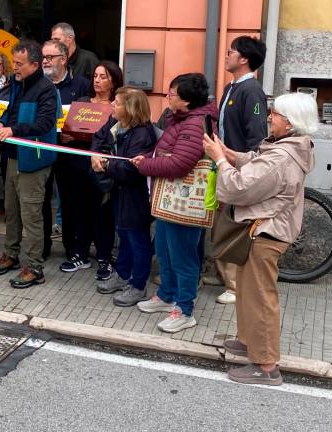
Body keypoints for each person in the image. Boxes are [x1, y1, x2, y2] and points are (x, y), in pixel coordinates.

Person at [202, 92, 317, 385]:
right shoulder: (288, 147)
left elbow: (238, 188)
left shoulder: (282, 156)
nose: (269, 117)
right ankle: (246, 340)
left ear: (290, 123)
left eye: (275, 114)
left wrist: (219, 161)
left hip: (266, 232)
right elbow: (256, 163)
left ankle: (266, 365)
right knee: (248, 290)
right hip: (263, 230)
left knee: (261, 297)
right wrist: (230, 154)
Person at [131, 73, 218, 333]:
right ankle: (166, 294)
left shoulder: (194, 124)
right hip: (169, 202)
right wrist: (147, 157)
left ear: (187, 100)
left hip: (184, 203)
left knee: (183, 257)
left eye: (172, 94)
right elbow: (166, 151)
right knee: (165, 249)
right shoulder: (178, 119)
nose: (168, 97)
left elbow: (180, 163)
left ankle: (184, 309)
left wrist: (145, 165)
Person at [0, 39, 59, 289]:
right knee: (11, 210)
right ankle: (11, 254)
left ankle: (35, 267)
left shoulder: (46, 89)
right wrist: (1, 123)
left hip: (34, 161)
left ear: (35, 64)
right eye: (14, 62)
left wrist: (12, 129)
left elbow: (44, 124)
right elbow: (10, 112)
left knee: (31, 216)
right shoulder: (18, 84)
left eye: (19, 64)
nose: (14, 68)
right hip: (12, 156)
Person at [211, 36, 269, 305]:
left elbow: (256, 136)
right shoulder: (231, 87)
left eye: (231, 51)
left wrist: (247, 167)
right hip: (224, 165)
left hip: (238, 167)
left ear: (244, 59)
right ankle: (221, 271)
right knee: (220, 220)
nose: (226, 54)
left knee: (233, 224)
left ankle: (234, 285)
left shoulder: (252, 91)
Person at [91, 87, 157, 306]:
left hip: (136, 196)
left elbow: (131, 170)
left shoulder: (142, 134)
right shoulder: (116, 125)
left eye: (117, 103)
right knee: (124, 235)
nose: (112, 106)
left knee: (137, 239)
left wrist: (106, 165)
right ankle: (122, 275)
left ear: (129, 108)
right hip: (119, 193)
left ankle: (138, 285)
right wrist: (95, 156)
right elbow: (98, 138)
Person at [42, 40, 94, 273]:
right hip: (41, 150)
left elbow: (92, 119)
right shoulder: (38, 84)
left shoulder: (82, 85)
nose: (45, 61)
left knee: (72, 202)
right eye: (43, 56)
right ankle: (42, 247)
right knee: (41, 201)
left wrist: (77, 136)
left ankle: (73, 248)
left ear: (63, 60)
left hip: (71, 154)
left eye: (50, 57)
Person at [77, 61, 123, 282]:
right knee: (81, 209)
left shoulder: (118, 106)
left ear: (113, 80)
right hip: (78, 164)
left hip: (104, 168)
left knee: (103, 213)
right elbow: (68, 129)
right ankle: (81, 252)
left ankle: (104, 256)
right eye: (95, 75)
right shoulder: (83, 103)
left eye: (103, 76)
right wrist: (67, 134)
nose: (97, 80)